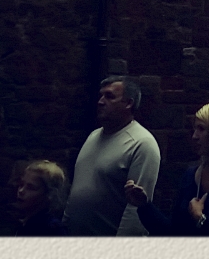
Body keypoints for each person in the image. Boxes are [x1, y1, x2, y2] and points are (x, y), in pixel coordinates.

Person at [125, 100, 209, 236]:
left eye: (201, 129)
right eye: (195, 129)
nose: (194, 136)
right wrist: (144, 206)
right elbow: (173, 232)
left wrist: (201, 220)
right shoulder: (191, 175)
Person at [63, 76, 161, 236]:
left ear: (128, 103)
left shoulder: (141, 143)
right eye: (101, 96)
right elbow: (78, 188)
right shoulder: (93, 136)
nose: (100, 102)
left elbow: (136, 209)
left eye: (109, 96)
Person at [14, 160, 69, 236]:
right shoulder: (26, 223)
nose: (21, 191)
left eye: (31, 188)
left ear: (49, 194)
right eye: (21, 184)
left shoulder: (52, 229)